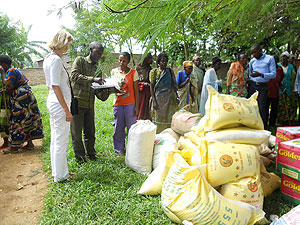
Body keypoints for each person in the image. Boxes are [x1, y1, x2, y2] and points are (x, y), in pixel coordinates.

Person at [43, 29, 74, 182]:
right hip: (59, 104)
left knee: (56, 139)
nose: (68, 47)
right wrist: (66, 110)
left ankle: (59, 172)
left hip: (53, 101)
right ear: (62, 43)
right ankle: (61, 176)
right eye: (68, 43)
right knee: (61, 140)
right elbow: (56, 86)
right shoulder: (55, 60)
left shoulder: (48, 58)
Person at [0, 55, 44, 154]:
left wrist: (2, 74)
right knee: (28, 118)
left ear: (3, 64)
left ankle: (14, 147)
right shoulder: (15, 70)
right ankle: (29, 144)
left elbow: (9, 85)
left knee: (17, 120)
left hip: (22, 99)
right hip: (28, 96)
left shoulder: (10, 72)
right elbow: (11, 87)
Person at [70, 41, 105, 163]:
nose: (99, 55)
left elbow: (97, 89)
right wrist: (93, 79)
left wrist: (107, 92)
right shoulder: (80, 61)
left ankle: (91, 153)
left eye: (101, 53)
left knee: (90, 132)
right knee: (77, 133)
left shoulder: (97, 68)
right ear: (91, 50)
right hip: (78, 102)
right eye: (98, 52)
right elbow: (74, 76)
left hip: (90, 104)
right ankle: (80, 157)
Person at [111, 52, 139, 154]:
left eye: (124, 61)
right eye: (120, 60)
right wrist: (116, 92)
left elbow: (136, 91)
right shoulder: (114, 72)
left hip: (130, 104)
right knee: (118, 128)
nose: (121, 63)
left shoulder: (133, 73)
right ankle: (119, 150)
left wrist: (137, 106)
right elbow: (112, 87)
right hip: (118, 104)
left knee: (131, 128)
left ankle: (132, 149)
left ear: (128, 62)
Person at [248, 44, 276, 129]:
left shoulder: (270, 59)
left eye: (254, 52)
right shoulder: (252, 61)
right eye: (252, 53)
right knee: (251, 106)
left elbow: (273, 74)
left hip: (263, 86)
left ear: (260, 50)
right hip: (252, 85)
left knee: (262, 107)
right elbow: (250, 74)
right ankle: (252, 125)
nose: (253, 55)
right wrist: (249, 77)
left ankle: (263, 127)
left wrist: (261, 74)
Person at [149, 53, 178, 133]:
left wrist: (177, 96)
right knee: (158, 121)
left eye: (165, 61)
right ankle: (158, 138)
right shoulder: (154, 72)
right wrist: (154, 101)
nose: (164, 63)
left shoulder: (170, 71)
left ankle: (168, 137)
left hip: (170, 100)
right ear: (158, 62)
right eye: (162, 61)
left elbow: (174, 85)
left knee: (169, 119)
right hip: (158, 100)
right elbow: (151, 87)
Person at [277, 51, 297, 125]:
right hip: (279, 89)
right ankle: (279, 120)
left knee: (289, 104)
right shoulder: (278, 66)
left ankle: (288, 119)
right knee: (280, 104)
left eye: (285, 58)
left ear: (288, 59)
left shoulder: (291, 67)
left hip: (289, 89)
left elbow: (294, 77)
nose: (283, 59)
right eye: (282, 58)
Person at [266, 55, 284, 128]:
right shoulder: (267, 68)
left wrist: (280, 85)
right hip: (267, 91)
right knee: (265, 108)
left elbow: (281, 79)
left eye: (276, 60)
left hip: (275, 92)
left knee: (274, 108)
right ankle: (265, 123)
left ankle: (272, 124)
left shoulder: (280, 69)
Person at [136, 53, 153, 120]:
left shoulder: (149, 69)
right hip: (140, 92)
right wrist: (143, 84)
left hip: (148, 92)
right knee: (140, 107)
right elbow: (135, 82)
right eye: (150, 58)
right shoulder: (138, 69)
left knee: (147, 107)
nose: (152, 60)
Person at [0, 66, 9, 149]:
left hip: (5, 100)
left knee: (5, 120)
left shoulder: (7, 73)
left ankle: (11, 141)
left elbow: (7, 86)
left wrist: (2, 74)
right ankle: (5, 141)